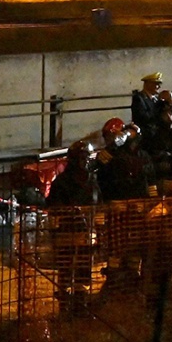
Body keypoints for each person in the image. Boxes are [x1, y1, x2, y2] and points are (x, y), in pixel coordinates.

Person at [46, 141, 100, 308]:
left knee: (84, 268)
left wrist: (99, 228)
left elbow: (99, 204)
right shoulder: (61, 182)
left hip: (86, 232)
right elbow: (52, 206)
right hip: (67, 233)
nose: (85, 162)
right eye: (83, 159)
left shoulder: (92, 181)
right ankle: (64, 301)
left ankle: (80, 300)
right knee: (65, 268)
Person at [95, 117, 151, 201]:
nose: (108, 140)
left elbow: (150, 177)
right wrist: (113, 146)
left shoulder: (142, 155)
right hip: (117, 199)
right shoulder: (110, 154)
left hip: (139, 197)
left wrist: (152, 197)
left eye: (110, 137)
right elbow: (99, 164)